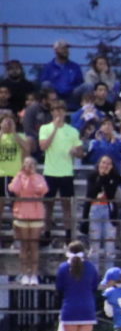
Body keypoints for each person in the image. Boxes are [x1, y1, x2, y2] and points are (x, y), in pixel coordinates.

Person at [39, 102, 84, 245]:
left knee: (67, 205)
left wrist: (75, 152)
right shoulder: (45, 128)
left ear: (65, 112)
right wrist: (55, 130)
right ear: (52, 113)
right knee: (48, 205)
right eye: (55, 110)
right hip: (50, 172)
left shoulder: (72, 131)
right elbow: (43, 146)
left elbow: (81, 153)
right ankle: (47, 233)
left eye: (61, 110)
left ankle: (68, 235)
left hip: (66, 173)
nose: (58, 113)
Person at [55, 241, 100, 331]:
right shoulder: (90, 267)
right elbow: (94, 286)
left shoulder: (63, 268)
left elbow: (59, 288)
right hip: (87, 306)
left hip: (70, 307)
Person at [8, 157, 47, 284]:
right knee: (24, 245)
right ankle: (25, 273)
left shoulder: (39, 177)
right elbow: (14, 189)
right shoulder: (19, 176)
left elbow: (41, 190)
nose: (28, 166)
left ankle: (34, 274)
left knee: (34, 245)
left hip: (36, 214)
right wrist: (21, 176)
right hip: (21, 214)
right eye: (26, 164)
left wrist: (32, 177)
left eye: (31, 164)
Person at [82, 155, 121, 276]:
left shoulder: (115, 178)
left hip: (109, 211)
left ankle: (109, 275)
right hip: (95, 210)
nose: (105, 166)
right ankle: (94, 274)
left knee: (109, 246)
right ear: (99, 164)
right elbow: (91, 193)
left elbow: (110, 193)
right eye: (103, 162)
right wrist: (101, 177)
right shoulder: (92, 176)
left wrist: (106, 177)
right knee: (94, 246)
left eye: (108, 163)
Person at [0, 113, 32, 235]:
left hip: (16, 176)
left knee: (17, 208)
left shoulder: (20, 136)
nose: (7, 124)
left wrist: (13, 133)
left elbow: (27, 149)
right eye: (5, 121)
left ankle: (17, 236)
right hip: (1, 175)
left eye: (10, 122)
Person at [39, 40, 83, 109]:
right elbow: (43, 83)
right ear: (56, 50)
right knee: (46, 84)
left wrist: (70, 89)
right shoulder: (48, 67)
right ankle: (51, 107)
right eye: (63, 48)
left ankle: (87, 110)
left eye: (67, 49)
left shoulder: (75, 66)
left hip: (72, 95)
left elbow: (80, 82)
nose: (66, 50)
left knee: (88, 86)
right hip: (56, 96)